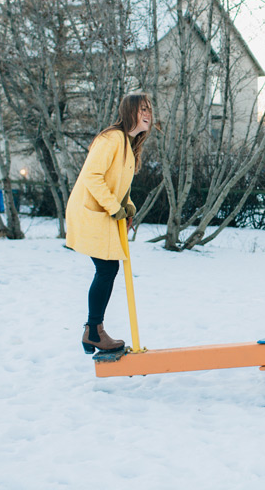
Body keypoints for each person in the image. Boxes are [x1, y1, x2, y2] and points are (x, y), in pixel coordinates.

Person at [66, 92, 156, 354]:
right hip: (90, 211)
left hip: (102, 213)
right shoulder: (112, 138)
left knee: (108, 270)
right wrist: (114, 207)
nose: (148, 113)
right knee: (107, 270)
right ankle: (93, 331)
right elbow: (93, 176)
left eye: (149, 108)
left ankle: (94, 330)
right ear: (130, 111)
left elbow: (118, 184)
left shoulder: (128, 143)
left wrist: (127, 205)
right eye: (142, 109)